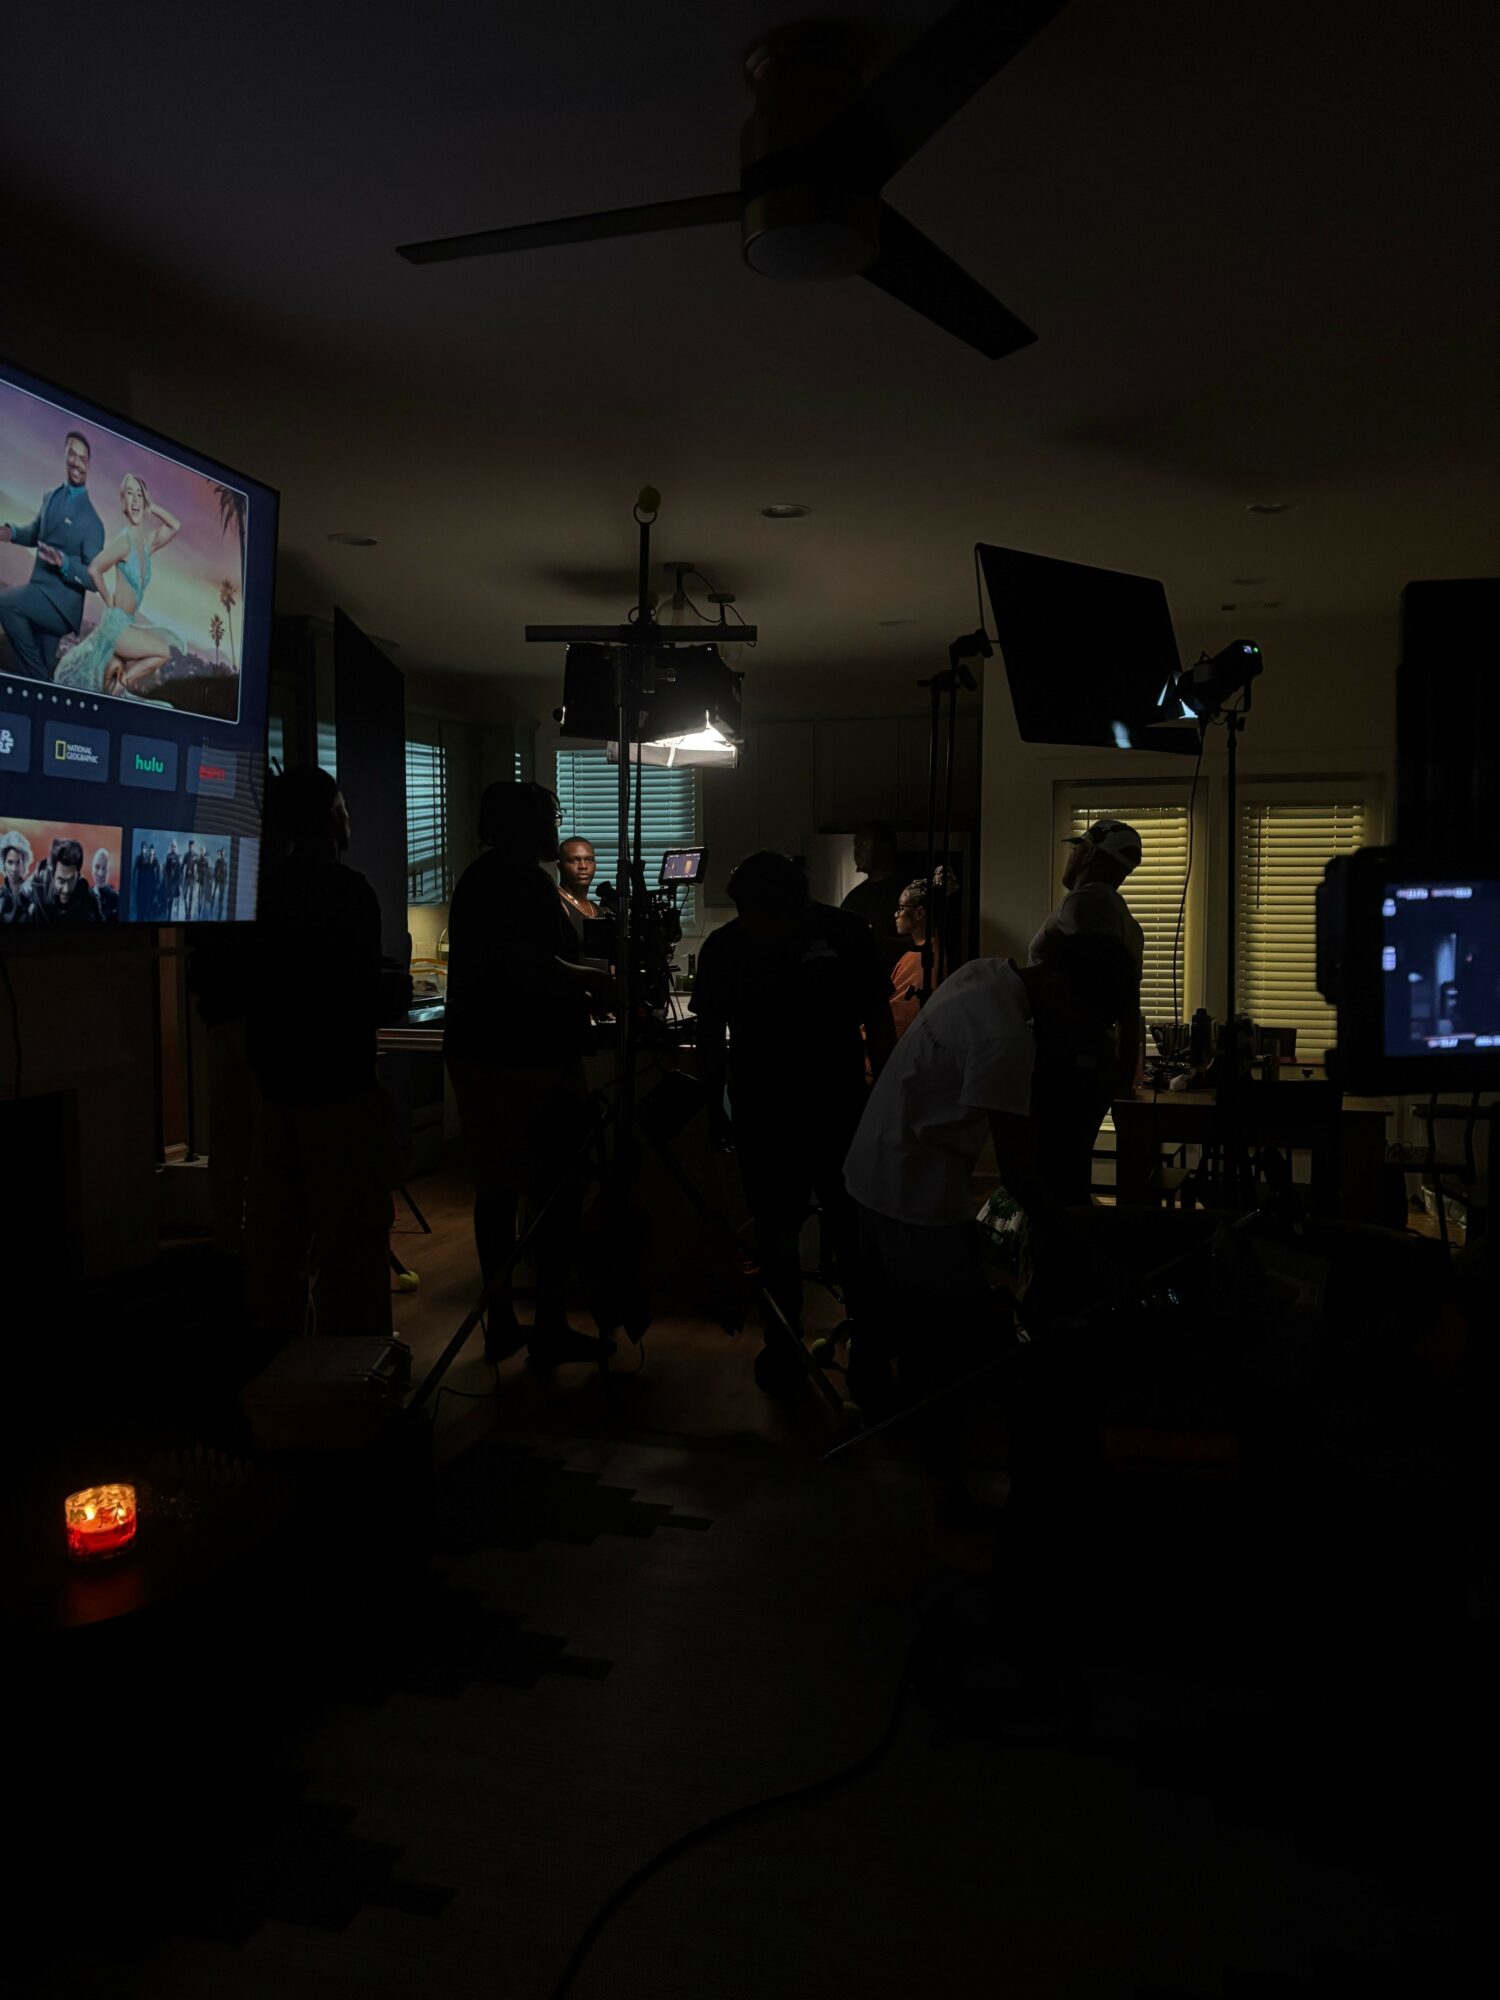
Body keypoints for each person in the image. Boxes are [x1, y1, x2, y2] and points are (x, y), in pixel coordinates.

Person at [844, 932, 1138, 1573]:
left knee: (926, 1338)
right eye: (1087, 1018)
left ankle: (930, 1483)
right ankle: (943, 1510)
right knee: (945, 1355)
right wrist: (1096, 1260)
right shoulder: (1006, 1037)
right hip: (911, 1190)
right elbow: (1023, 1175)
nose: (1081, 1032)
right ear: (1064, 989)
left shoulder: (986, 976)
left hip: (881, 1166)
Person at [443, 782, 617, 1368]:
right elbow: (533, 967)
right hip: (524, 1057)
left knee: (497, 1190)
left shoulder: (483, 877)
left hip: (484, 1052)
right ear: (524, 825)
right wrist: (600, 980)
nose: (555, 829)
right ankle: (548, 1324)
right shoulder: (521, 882)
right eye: (550, 818)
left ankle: (501, 1322)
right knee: (557, 1188)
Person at [691, 850, 894, 1343]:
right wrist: (714, 1106)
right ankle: (798, 1341)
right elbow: (710, 1036)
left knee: (823, 1227)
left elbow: (878, 1020)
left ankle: (833, 1340)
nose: (753, 924)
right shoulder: (842, 933)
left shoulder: (836, 934)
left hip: (810, 1106)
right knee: (794, 1230)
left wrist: (715, 1107)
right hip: (797, 1106)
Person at [241, 765, 397, 1341]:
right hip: (340, 1091)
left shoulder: (261, 893)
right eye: (344, 806)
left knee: (277, 1250)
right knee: (353, 1253)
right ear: (332, 817)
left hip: (276, 1090)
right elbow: (355, 992)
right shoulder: (349, 892)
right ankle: (355, 1371)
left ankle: (280, 1368)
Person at [1028, 818, 1146, 1206]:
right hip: (1088, 1063)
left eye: (1075, 848)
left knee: (1051, 1179)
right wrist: (1122, 1071)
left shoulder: (1086, 903)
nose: (1071, 857)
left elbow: (1085, 984)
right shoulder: (1126, 920)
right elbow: (1128, 1003)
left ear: (1089, 852)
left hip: (1066, 1063)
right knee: (1070, 1171)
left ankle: (1060, 1243)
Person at [54, 472, 181, 699]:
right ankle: (122, 685)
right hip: (116, 626)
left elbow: (175, 526)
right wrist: (108, 599)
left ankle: (117, 688)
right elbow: (94, 568)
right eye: (129, 494)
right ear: (123, 502)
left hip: (128, 624)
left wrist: (152, 506)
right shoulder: (124, 542)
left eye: (139, 494)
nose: (135, 500)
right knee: (163, 651)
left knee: (110, 683)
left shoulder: (147, 543)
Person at [0, 429, 104, 681]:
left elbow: (93, 579)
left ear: (89, 465)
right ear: (65, 455)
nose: (77, 463)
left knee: (4, 603)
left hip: (60, 607)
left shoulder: (93, 522)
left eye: (82, 459)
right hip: (39, 590)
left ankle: (39, 679)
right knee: (38, 672)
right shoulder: (50, 497)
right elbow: (35, 533)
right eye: (72, 455)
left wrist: (64, 563)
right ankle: (40, 685)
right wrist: (10, 532)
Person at [840, 820, 909, 966]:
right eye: (856, 845)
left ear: (885, 847)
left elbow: (925, 940)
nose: (856, 852)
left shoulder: (910, 892)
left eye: (864, 844)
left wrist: (878, 942)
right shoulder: (854, 898)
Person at [889, 876, 947, 1037]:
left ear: (919, 913)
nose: (896, 914)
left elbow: (902, 1017)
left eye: (901, 908)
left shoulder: (920, 958)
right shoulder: (933, 951)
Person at [23, 837, 103, 926]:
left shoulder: (88, 898)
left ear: (78, 875)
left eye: (71, 880)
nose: (66, 889)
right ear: (52, 874)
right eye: (61, 880)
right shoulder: (36, 883)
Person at [1, 830, 34, 925]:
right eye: (10, 862)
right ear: (4, 862)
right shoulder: (1, 896)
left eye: (18, 862)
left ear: (24, 863)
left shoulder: (32, 894)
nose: (14, 869)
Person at [90, 848, 120, 923]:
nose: (101, 873)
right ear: (92, 870)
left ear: (108, 871)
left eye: (104, 868)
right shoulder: (83, 898)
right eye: (97, 867)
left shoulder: (117, 900)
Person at [162, 839, 182, 921]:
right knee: (167, 896)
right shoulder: (168, 856)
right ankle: (167, 910)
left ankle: (169, 914)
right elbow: (166, 869)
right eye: (172, 846)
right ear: (171, 847)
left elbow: (179, 870)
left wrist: (179, 882)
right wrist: (165, 879)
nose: (173, 848)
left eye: (175, 847)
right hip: (169, 880)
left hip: (174, 881)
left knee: (172, 897)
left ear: (176, 848)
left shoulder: (177, 857)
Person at [212, 846, 229, 919]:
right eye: (222, 852)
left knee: (221, 898)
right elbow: (215, 872)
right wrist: (216, 878)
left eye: (223, 852)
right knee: (216, 896)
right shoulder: (218, 862)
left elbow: (226, 874)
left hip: (223, 882)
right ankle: (213, 909)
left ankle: (220, 913)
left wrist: (226, 882)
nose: (222, 853)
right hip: (218, 881)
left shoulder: (225, 863)